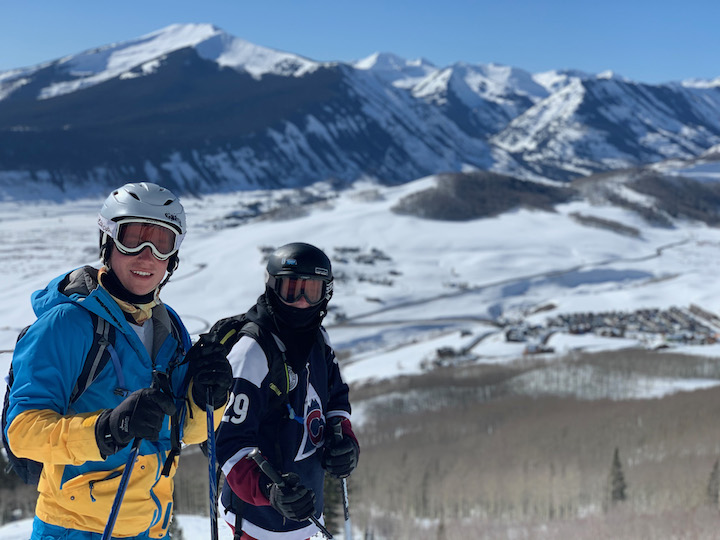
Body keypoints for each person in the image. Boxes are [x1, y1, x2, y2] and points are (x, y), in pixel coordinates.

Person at [4, 182, 233, 540]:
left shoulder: (167, 326)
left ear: (173, 258)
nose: (146, 256)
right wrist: (107, 429)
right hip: (74, 529)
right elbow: (22, 432)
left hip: (150, 528)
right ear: (108, 242)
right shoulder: (67, 325)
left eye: (161, 243)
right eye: (133, 239)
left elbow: (183, 432)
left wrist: (210, 400)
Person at [216, 242, 360, 540]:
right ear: (273, 289)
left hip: (305, 515)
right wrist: (270, 491)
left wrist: (344, 440)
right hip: (259, 521)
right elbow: (229, 444)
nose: (304, 302)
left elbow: (335, 399)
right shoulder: (253, 351)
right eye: (293, 289)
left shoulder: (318, 337)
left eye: (313, 291)